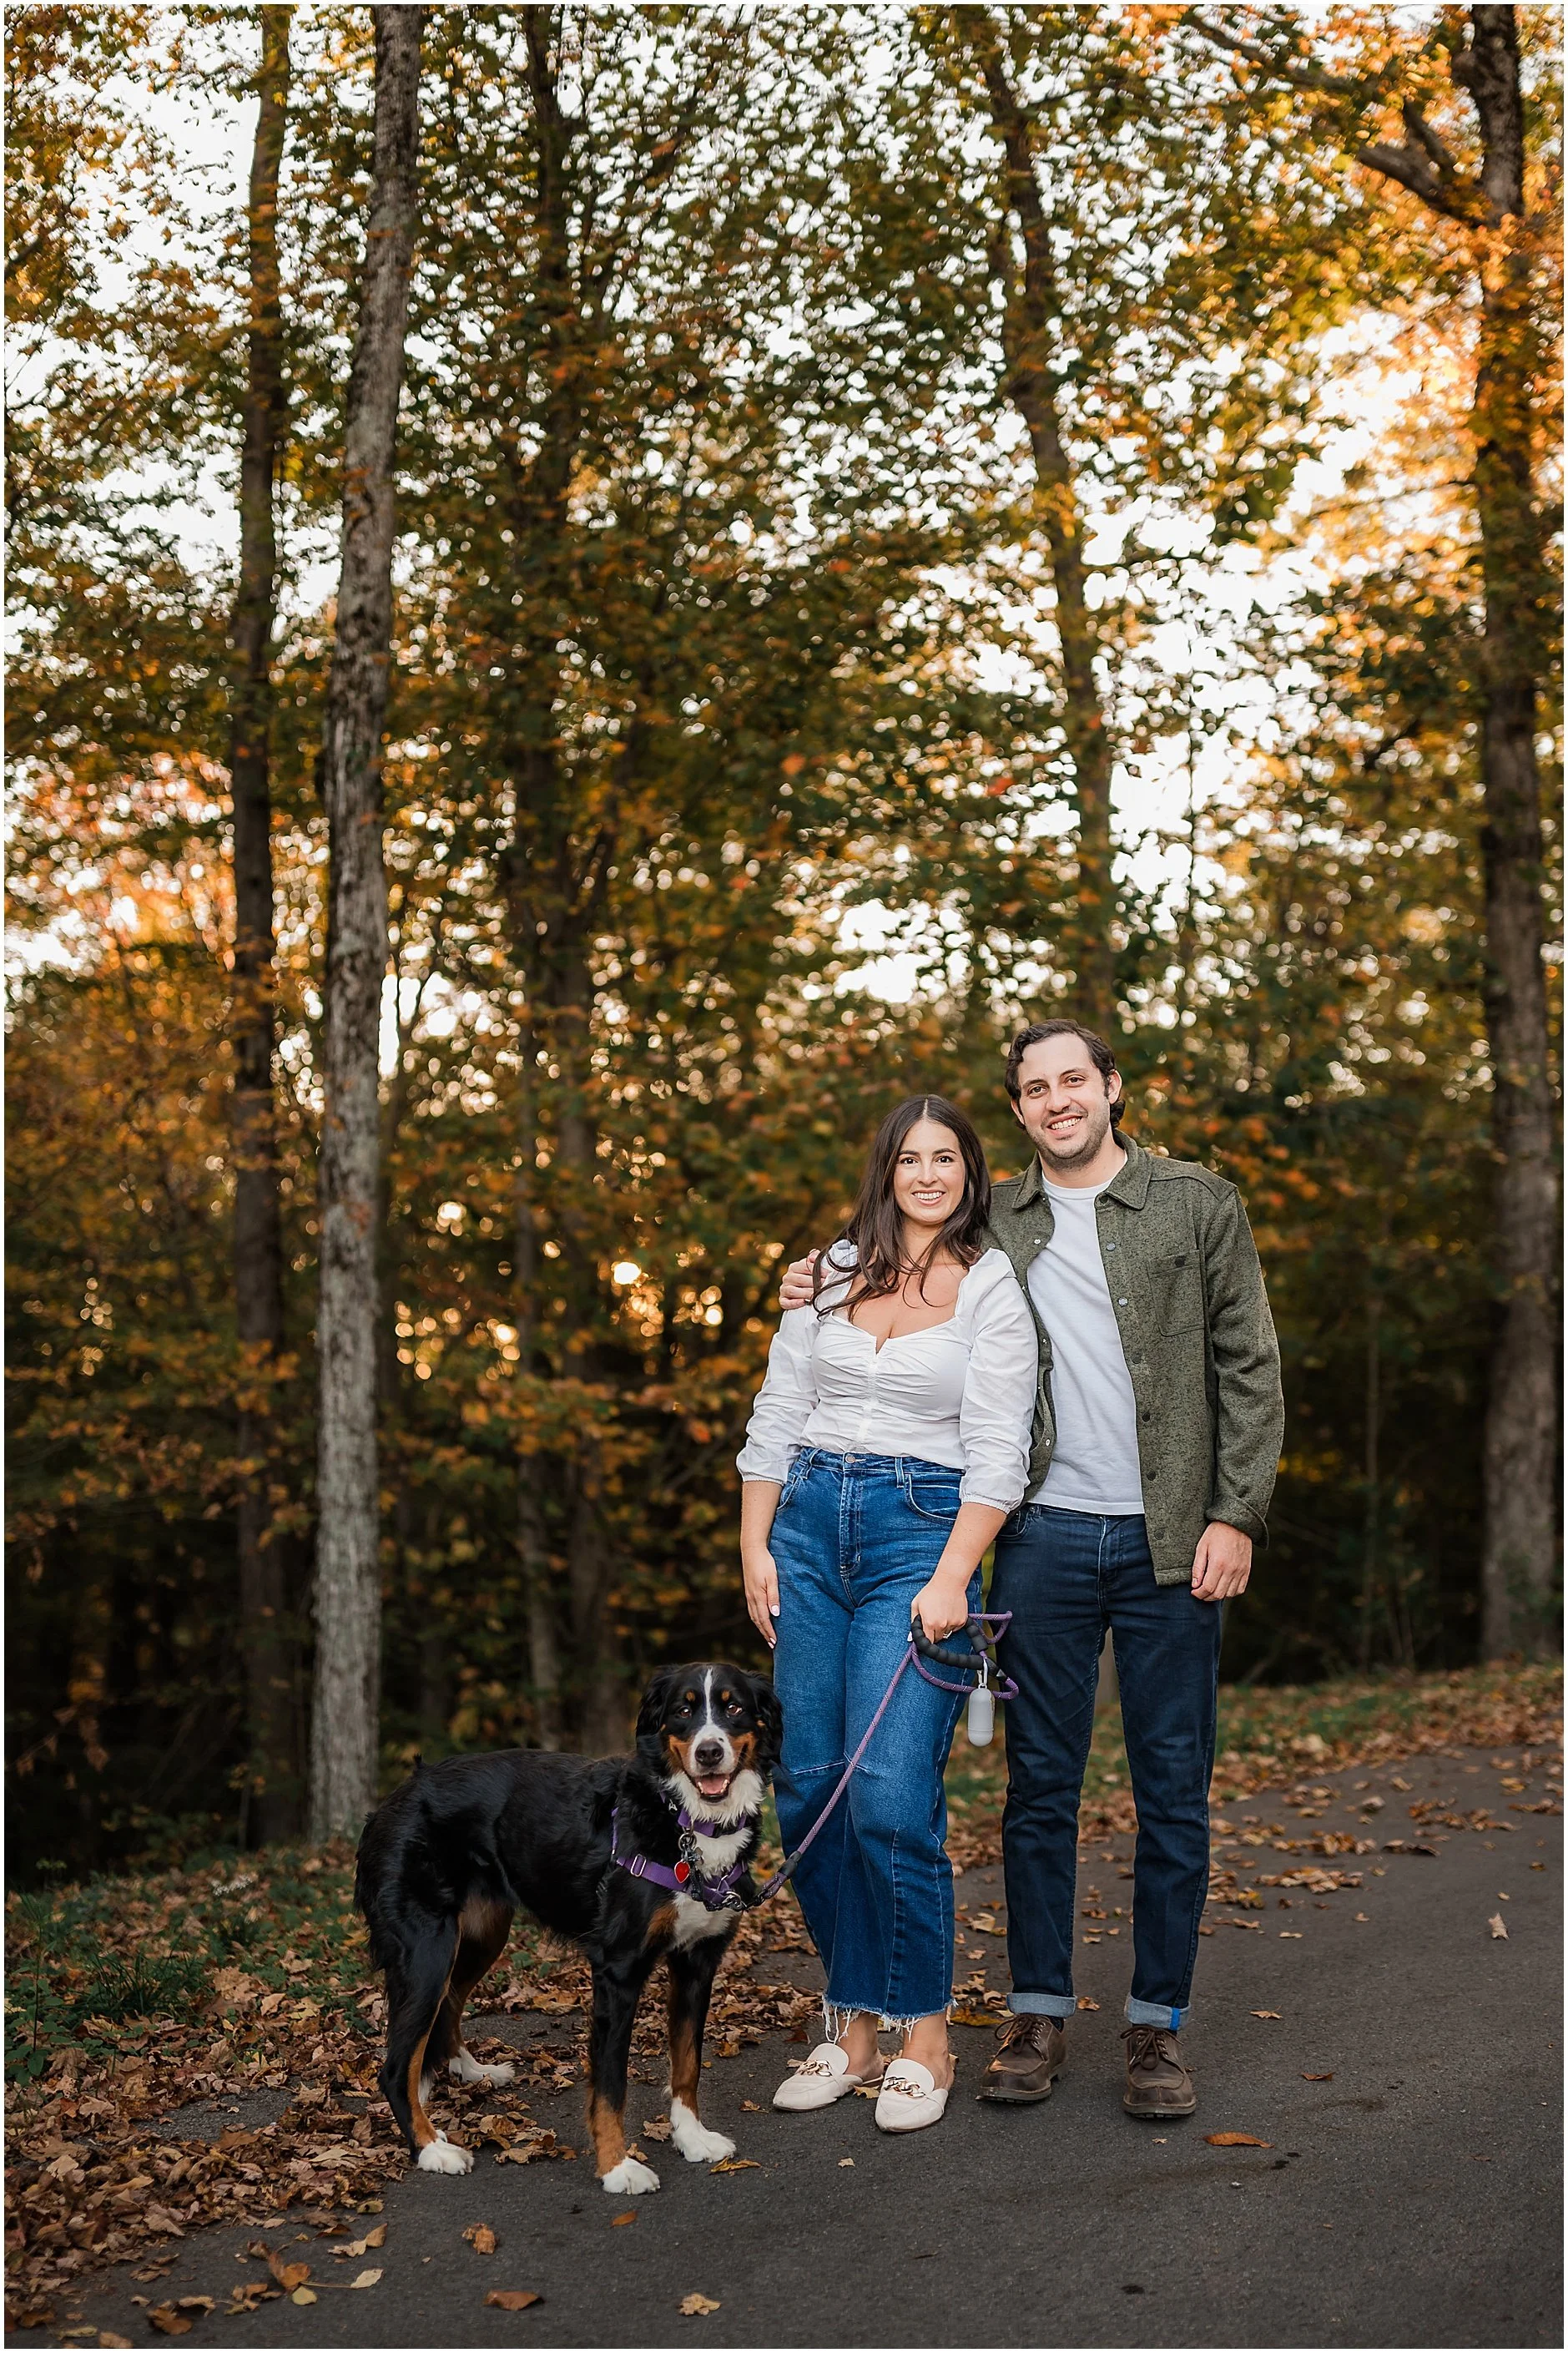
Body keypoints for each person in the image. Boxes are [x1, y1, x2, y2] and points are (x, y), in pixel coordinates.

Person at [779, 1020, 1284, 2121]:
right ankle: (1037, 2008)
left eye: (1072, 1081)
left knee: (1170, 1792)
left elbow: (1247, 1361)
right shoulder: (992, 1212)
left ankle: (1155, 2025)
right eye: (1033, 1089)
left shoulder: (1195, 1203)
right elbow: (889, 1242)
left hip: (1169, 1539)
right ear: (1015, 1110)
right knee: (1035, 1790)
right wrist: (808, 1277)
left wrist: (1234, 1511)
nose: (1056, 1100)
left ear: (1108, 1087)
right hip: (1043, 1534)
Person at [736, 1095, 1037, 2135]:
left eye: (944, 1157)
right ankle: (851, 2023)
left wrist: (956, 1571)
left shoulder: (991, 1283)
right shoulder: (825, 1269)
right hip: (808, 1528)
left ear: (970, 1170)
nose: (925, 1174)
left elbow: (1000, 1449)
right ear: (885, 1168)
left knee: (889, 1796)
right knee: (807, 1788)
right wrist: (753, 1546)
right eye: (908, 1157)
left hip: (921, 1532)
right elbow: (777, 1412)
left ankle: (924, 2031)